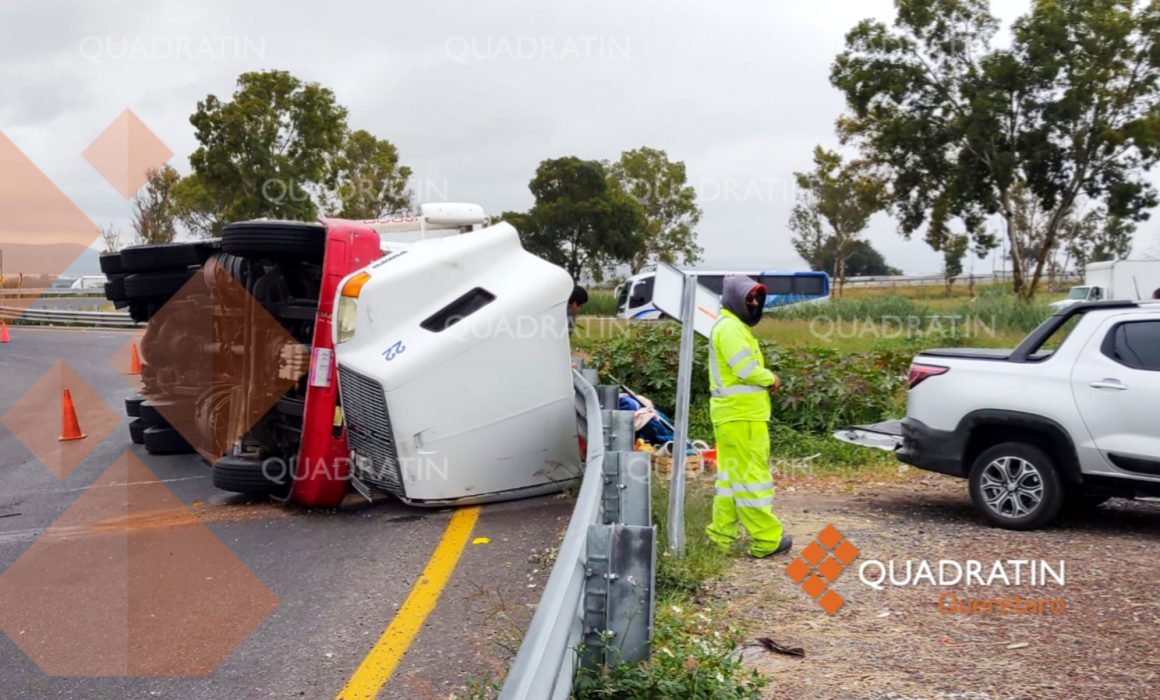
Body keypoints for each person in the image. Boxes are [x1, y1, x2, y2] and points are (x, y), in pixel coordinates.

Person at [705, 276, 792, 558]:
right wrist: (771, 377)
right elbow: (745, 369)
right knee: (752, 478)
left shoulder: (729, 325)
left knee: (731, 480)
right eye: (749, 299)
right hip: (743, 417)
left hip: (734, 416)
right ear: (734, 300)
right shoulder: (730, 328)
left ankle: (721, 537)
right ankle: (766, 540)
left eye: (756, 299)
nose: (754, 304)